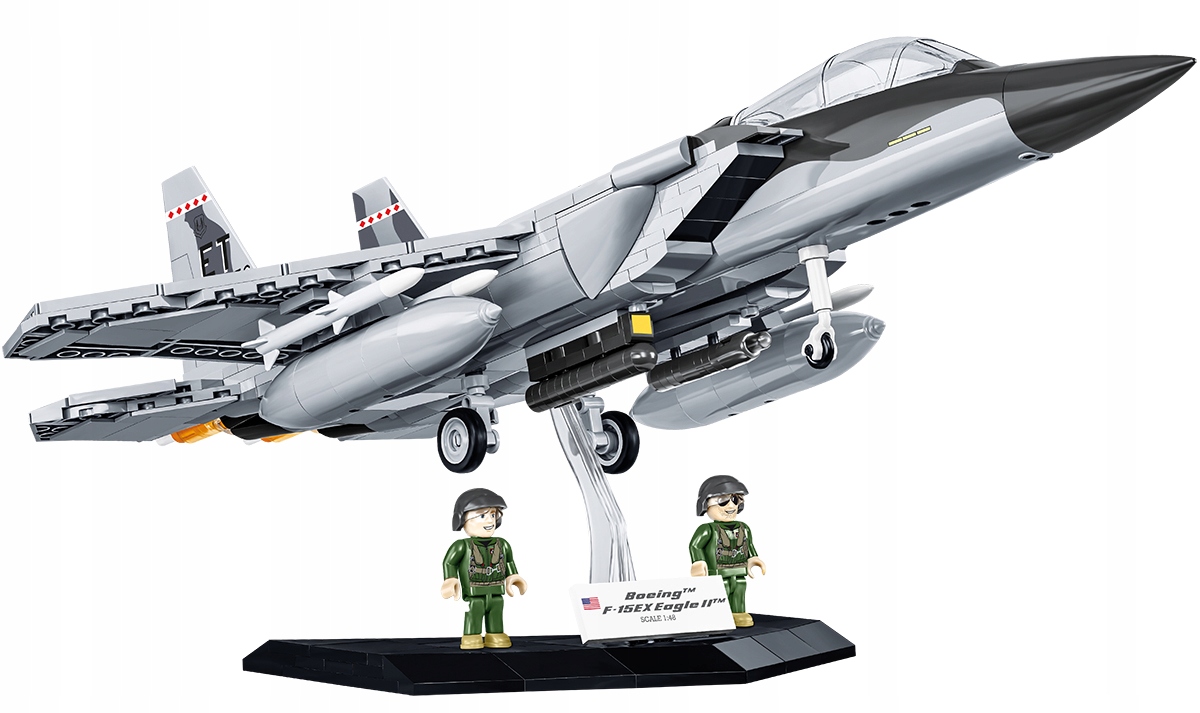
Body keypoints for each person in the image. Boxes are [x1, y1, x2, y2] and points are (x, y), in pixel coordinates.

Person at [441, 488, 528, 649]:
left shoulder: (502, 544)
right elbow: (449, 563)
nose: (489, 521)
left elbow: (508, 562)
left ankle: (495, 633)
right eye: (482, 516)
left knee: (496, 607)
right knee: (475, 609)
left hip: (496, 588)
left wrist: (513, 576)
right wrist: (450, 579)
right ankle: (471, 635)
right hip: (475, 589)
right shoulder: (462, 546)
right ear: (462, 519)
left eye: (493, 515)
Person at [688, 475, 767, 627]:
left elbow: (748, 544)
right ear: (706, 504)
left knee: (739, 589)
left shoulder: (744, 528)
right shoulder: (707, 529)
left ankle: (738, 613)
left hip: (739, 569)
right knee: (720, 591)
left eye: (735, 500)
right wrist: (698, 561)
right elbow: (695, 546)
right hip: (719, 572)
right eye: (722, 501)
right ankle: (718, 615)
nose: (731, 506)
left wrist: (753, 558)